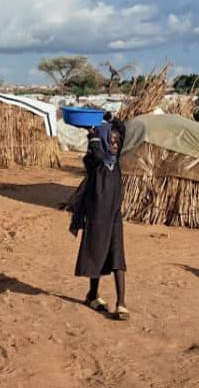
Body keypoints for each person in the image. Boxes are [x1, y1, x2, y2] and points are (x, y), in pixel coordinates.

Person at [70, 121, 129, 320]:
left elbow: (122, 130)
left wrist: (112, 121)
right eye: (110, 141)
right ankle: (92, 295)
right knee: (96, 255)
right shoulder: (95, 163)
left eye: (117, 142)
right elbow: (94, 154)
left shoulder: (116, 161)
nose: (114, 145)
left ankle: (121, 303)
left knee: (117, 258)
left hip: (114, 217)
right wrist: (93, 136)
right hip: (96, 218)